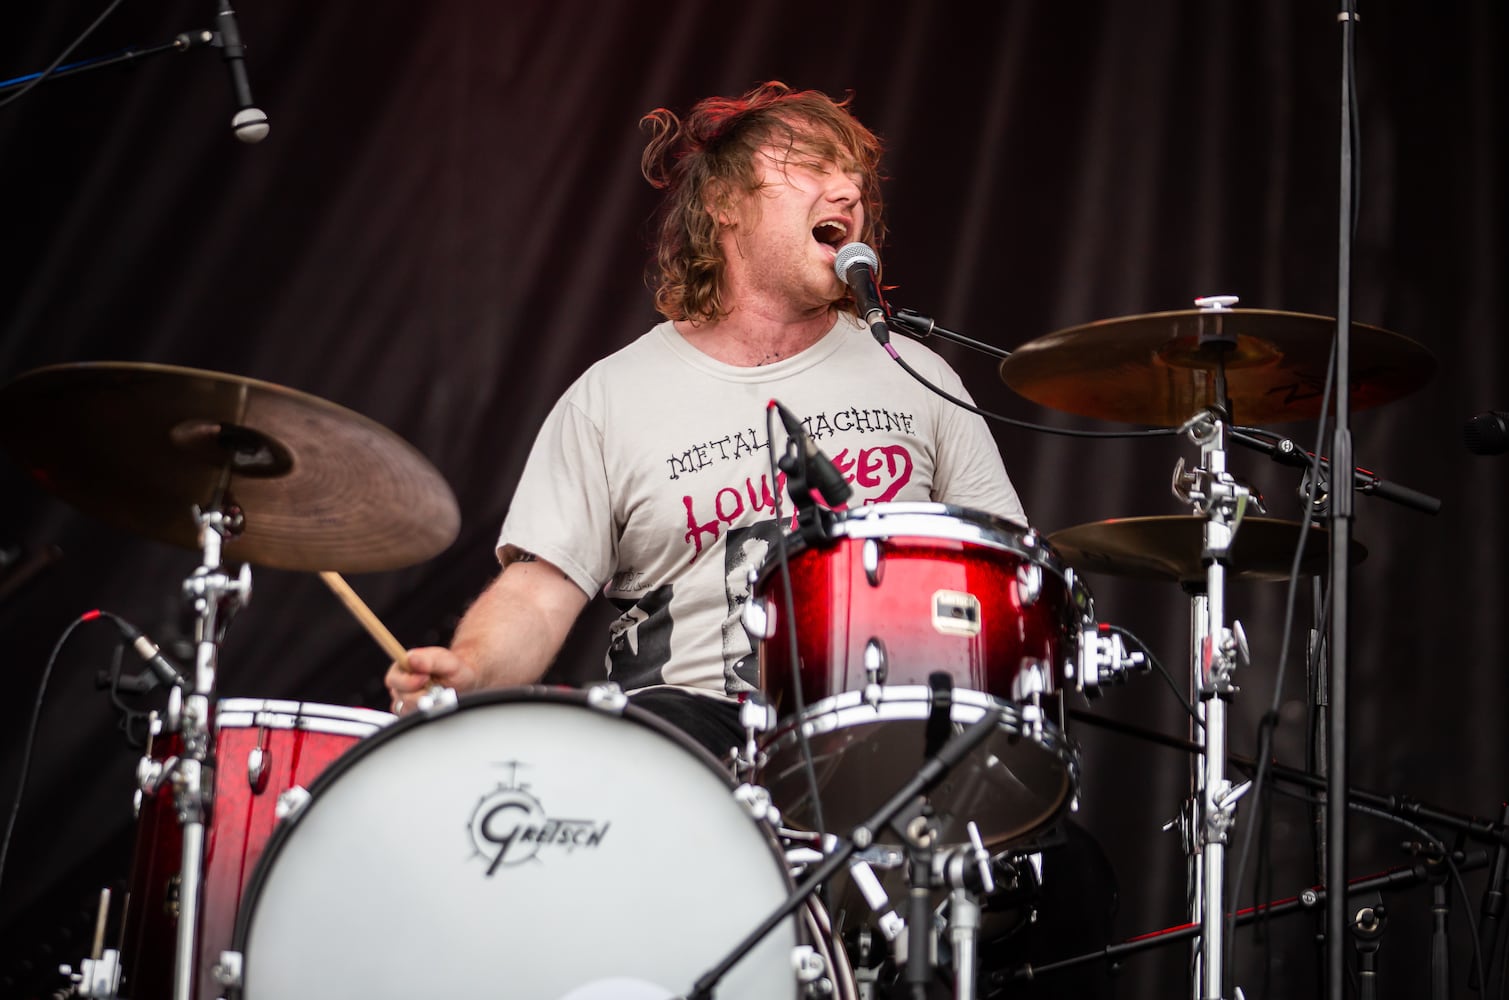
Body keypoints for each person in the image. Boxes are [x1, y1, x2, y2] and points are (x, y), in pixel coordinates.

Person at [385, 80, 1026, 761]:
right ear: (722, 202)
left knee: (1070, 866)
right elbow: (540, 594)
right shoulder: (611, 397)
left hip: (890, 734)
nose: (847, 194)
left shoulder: (917, 378)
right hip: (689, 745)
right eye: (812, 166)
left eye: (855, 181)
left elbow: (1010, 573)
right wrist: (470, 669)